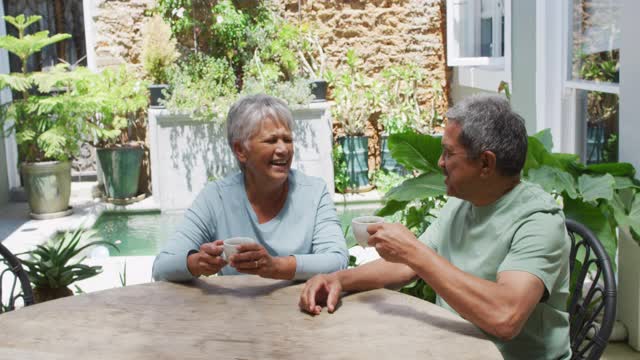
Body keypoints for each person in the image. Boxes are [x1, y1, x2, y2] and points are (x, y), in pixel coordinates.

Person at [299, 95, 571, 360]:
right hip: (452, 348)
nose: (440, 162)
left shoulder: (539, 221)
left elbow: (505, 317)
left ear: (486, 163)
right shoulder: (463, 203)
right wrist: (337, 280)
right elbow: (406, 267)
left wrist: (413, 251)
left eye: (449, 153)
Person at [153, 94, 348, 282]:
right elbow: (161, 267)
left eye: (287, 139)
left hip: (303, 310)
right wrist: (196, 263)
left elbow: (337, 260)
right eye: (271, 140)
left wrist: (276, 267)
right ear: (240, 151)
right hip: (236, 312)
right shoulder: (216, 198)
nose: (283, 149)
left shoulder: (314, 192)